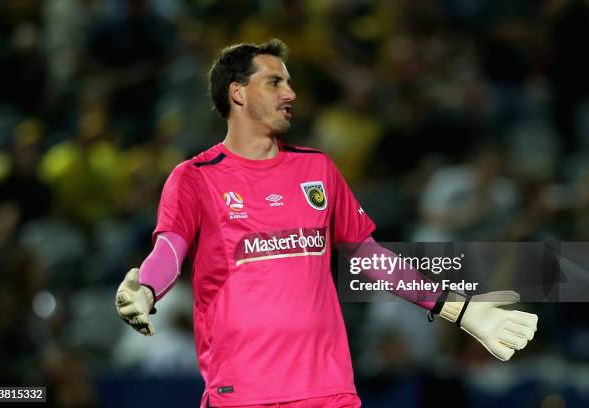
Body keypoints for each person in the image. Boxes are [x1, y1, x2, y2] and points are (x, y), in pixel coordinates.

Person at [115, 39, 538, 408]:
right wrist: (148, 288)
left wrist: (460, 311)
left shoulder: (317, 169)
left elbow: (373, 259)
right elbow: (170, 249)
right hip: (243, 392)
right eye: (275, 82)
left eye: (290, 82)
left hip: (328, 391)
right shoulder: (196, 176)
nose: (291, 93)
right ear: (237, 93)